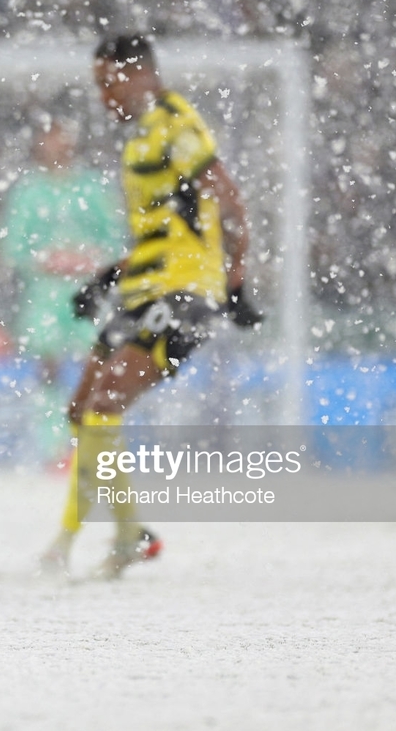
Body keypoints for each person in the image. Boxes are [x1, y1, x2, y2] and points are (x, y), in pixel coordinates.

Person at [41, 35, 262, 578]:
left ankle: (88, 541)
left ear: (138, 74)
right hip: (145, 286)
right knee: (81, 409)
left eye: (107, 82)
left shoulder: (175, 123)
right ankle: (124, 533)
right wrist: (107, 277)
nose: (102, 96)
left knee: (106, 402)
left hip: (184, 292)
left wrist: (234, 279)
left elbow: (227, 196)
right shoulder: (141, 138)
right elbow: (164, 228)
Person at [0, 121, 124, 465]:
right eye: (49, 137)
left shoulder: (93, 188)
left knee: (95, 364)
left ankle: (92, 444)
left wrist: (89, 258)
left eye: (62, 136)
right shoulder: (29, 192)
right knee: (48, 365)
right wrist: (45, 260)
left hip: (88, 292)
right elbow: (13, 246)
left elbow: (114, 240)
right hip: (45, 295)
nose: (56, 144)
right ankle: (53, 446)